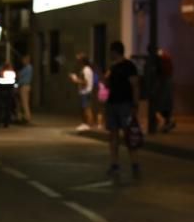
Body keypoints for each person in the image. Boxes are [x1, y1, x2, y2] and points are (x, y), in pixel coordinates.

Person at [103, 40, 141, 180]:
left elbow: (135, 85)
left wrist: (135, 105)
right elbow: (106, 85)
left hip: (125, 104)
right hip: (112, 104)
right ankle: (114, 164)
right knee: (113, 135)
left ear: (115, 52)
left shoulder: (129, 66)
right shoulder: (112, 68)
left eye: (111, 52)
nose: (110, 54)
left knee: (128, 134)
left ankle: (135, 163)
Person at [148, 48, 175, 133]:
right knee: (166, 106)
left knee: (158, 107)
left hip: (163, 83)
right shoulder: (165, 56)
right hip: (166, 82)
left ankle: (164, 122)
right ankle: (167, 122)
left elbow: (157, 72)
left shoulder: (159, 58)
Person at [69, 54, 95, 131]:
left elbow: (85, 82)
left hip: (86, 91)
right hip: (83, 91)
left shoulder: (86, 70)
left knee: (87, 109)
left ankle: (89, 124)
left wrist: (76, 80)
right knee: (83, 109)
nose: (77, 62)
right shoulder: (85, 69)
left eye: (78, 60)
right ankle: (85, 123)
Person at [16, 54, 33, 124]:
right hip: (24, 86)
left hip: (24, 86)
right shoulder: (27, 67)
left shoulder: (28, 68)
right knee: (22, 102)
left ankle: (27, 117)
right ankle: (22, 117)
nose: (23, 61)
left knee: (24, 102)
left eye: (24, 60)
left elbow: (19, 74)